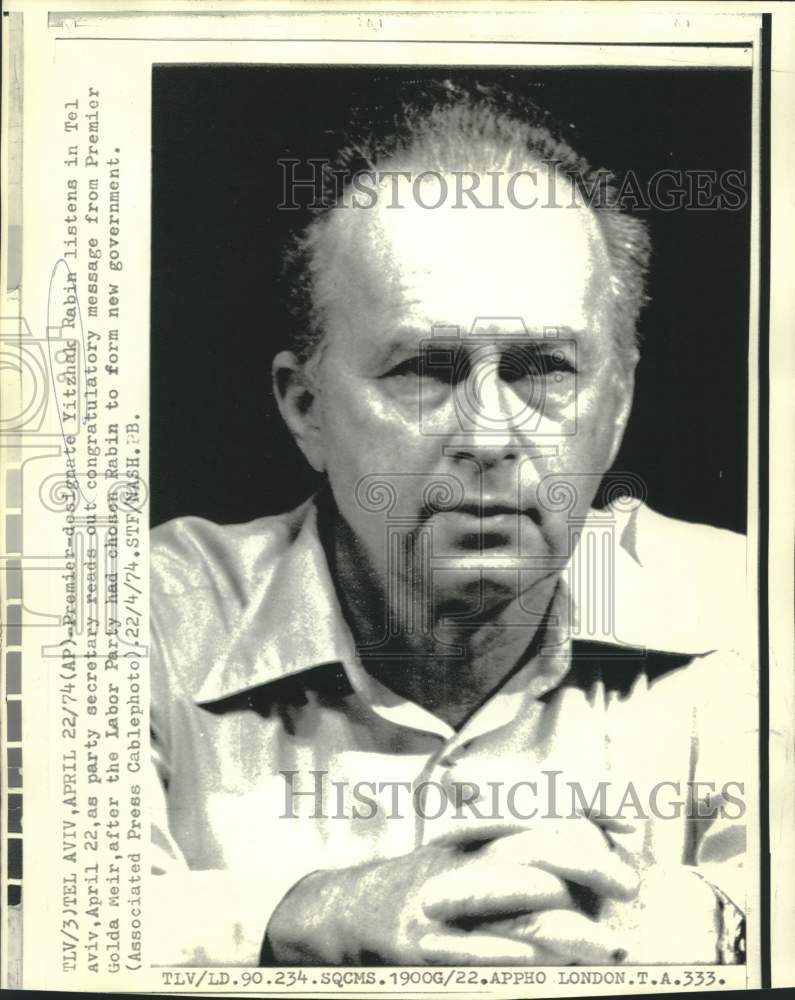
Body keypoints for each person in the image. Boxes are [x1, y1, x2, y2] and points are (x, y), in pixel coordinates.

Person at [150, 81, 751, 966]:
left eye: (542, 367)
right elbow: (32, 928)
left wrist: (708, 928)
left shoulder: (746, 614)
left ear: (615, 405)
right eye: (425, 368)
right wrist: (298, 917)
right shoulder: (144, 619)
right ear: (306, 407)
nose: (488, 435)